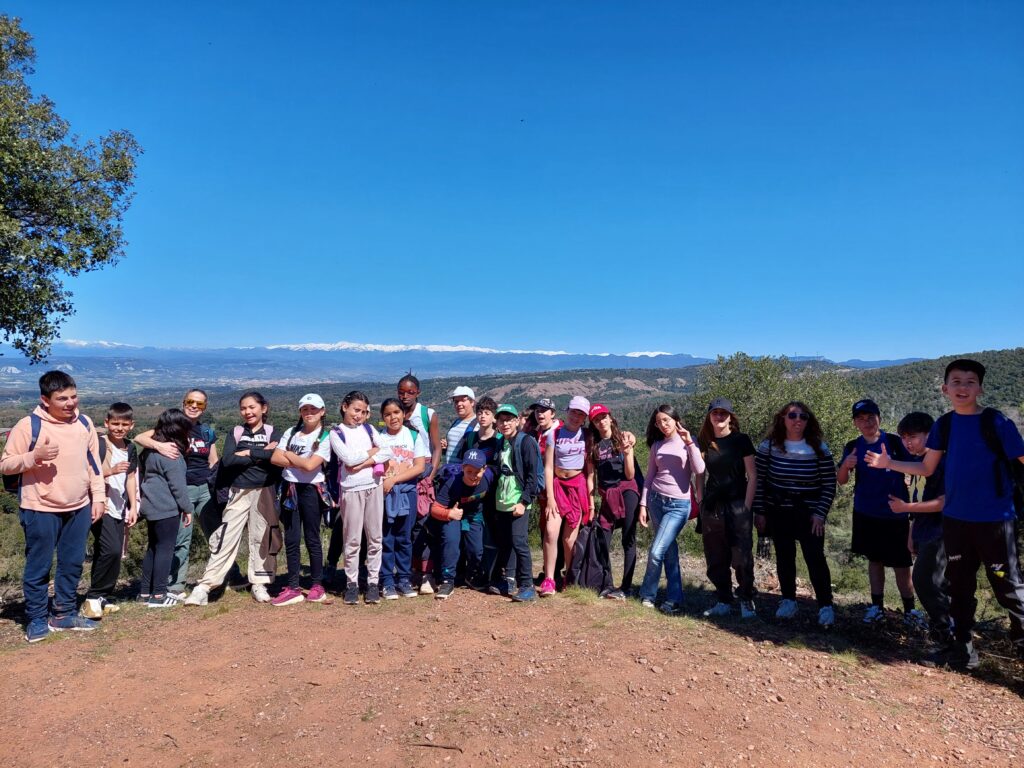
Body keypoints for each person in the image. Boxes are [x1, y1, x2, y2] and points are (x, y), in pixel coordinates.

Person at [866, 359, 1024, 668]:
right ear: (945, 389)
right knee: (959, 588)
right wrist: (889, 464)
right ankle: (962, 653)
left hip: (995, 521)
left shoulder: (996, 422)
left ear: (980, 388)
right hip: (956, 523)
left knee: (1008, 587)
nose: (963, 387)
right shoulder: (945, 425)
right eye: (956, 382)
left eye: (970, 382)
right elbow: (927, 467)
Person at [1, 371, 106, 642]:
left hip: (79, 506)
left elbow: (93, 464)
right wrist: (33, 457)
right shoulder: (28, 426)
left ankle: (64, 614)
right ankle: (37, 618)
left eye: (73, 396)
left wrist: (99, 497)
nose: (70, 403)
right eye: (62, 398)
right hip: (39, 507)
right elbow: (6, 464)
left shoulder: (84, 422)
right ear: (45, 400)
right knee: (39, 565)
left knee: (72, 563)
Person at [185, 391, 283, 606]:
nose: (247, 412)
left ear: (263, 408)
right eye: (243, 408)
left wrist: (246, 453)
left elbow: (275, 457)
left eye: (252, 407)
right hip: (238, 491)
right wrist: (260, 454)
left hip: (265, 491)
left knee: (262, 536)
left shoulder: (273, 432)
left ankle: (259, 583)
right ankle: (206, 586)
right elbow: (228, 460)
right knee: (225, 537)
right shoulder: (236, 432)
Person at [837, 398, 922, 627]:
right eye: (861, 419)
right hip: (866, 513)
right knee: (874, 560)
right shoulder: (852, 446)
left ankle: (910, 611)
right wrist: (846, 465)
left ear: (879, 418)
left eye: (870, 417)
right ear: (855, 423)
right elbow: (841, 480)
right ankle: (877, 607)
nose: (867, 422)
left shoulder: (894, 442)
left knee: (901, 565)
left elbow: (918, 468)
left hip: (896, 513)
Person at [753, 401, 837, 627]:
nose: (798, 420)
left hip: (809, 513)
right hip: (778, 510)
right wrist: (759, 511)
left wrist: (820, 514)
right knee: (784, 556)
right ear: (782, 418)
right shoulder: (769, 446)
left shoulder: (819, 448)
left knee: (815, 558)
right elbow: (759, 481)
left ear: (809, 421)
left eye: (803, 416)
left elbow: (829, 484)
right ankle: (788, 600)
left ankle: (825, 605)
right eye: (792, 415)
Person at [134, 388, 220, 600]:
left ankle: (224, 576)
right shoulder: (173, 426)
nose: (194, 406)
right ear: (183, 403)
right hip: (181, 489)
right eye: (190, 401)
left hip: (204, 489)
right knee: (181, 539)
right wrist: (159, 446)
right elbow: (139, 437)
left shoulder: (207, 432)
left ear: (205, 407)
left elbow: (213, 461)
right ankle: (175, 585)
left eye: (199, 403)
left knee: (217, 536)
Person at [891, 411, 952, 649]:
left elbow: (944, 502)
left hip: (942, 531)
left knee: (925, 581)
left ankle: (948, 635)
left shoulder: (940, 463)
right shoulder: (919, 464)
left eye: (913, 437)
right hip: (925, 531)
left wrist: (905, 508)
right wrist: (912, 533)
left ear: (930, 435)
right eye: (904, 437)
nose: (908, 443)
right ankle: (949, 635)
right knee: (936, 583)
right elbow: (918, 499)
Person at [637, 404, 705, 615]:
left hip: (678, 505)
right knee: (668, 549)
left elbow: (699, 469)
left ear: (676, 419)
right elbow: (650, 476)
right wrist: (643, 504)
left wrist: (689, 442)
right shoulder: (657, 445)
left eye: (666, 420)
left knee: (656, 550)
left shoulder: (689, 441)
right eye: (659, 422)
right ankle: (674, 598)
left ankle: (647, 594)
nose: (663, 425)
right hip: (656, 501)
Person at [329, 390, 392, 606]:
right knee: (352, 539)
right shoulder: (336, 433)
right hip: (351, 489)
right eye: (356, 410)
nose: (359, 415)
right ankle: (352, 584)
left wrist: (364, 462)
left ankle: (373, 583)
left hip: (374, 486)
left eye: (364, 412)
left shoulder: (369, 429)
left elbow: (387, 451)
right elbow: (347, 458)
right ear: (344, 407)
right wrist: (372, 452)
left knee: (375, 537)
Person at [696, 398, 757, 620]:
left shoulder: (741, 440)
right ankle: (723, 599)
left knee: (741, 556)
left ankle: (746, 598)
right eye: (715, 413)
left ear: (731, 417)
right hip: (712, 507)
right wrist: (700, 501)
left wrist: (747, 507)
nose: (719, 417)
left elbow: (753, 476)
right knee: (716, 556)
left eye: (723, 413)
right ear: (709, 416)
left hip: (737, 504)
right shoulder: (705, 441)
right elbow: (700, 474)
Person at [269, 394, 332, 606]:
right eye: (305, 409)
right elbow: (275, 458)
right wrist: (301, 462)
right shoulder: (291, 432)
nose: (309, 413)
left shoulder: (325, 436)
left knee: (312, 537)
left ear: (322, 411)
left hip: (312, 490)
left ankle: (317, 585)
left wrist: (289, 455)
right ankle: (293, 586)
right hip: (290, 488)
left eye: (313, 409)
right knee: (292, 538)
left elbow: (310, 466)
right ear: (300, 412)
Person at [82, 402, 139, 619]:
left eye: (124, 424)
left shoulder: (130, 448)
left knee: (114, 553)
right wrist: (111, 470)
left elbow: (131, 478)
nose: (119, 428)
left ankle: (102, 597)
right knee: (111, 550)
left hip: (118, 506)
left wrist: (133, 506)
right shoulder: (99, 444)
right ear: (107, 423)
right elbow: (87, 473)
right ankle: (93, 597)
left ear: (131, 425)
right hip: (100, 504)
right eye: (115, 424)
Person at [137, 409, 194, 608]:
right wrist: (187, 508)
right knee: (165, 550)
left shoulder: (150, 452)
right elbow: (178, 486)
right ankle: (159, 595)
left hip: (150, 505)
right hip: (166, 507)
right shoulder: (172, 454)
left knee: (153, 548)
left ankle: (145, 592)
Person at [541, 396, 594, 596]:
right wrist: (550, 498)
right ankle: (549, 579)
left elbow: (590, 471)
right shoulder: (554, 434)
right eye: (573, 412)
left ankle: (570, 577)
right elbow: (548, 467)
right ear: (567, 411)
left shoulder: (587, 436)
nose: (576, 416)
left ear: (585, 418)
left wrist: (590, 503)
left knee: (569, 540)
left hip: (577, 487)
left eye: (581, 414)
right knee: (550, 532)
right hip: (557, 486)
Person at [376, 397, 428, 599]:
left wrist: (394, 479)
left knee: (404, 538)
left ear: (404, 414)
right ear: (383, 417)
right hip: (384, 494)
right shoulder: (379, 437)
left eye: (396, 412)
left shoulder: (413, 436)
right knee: (387, 538)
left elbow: (419, 467)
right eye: (387, 414)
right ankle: (387, 580)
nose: (393, 417)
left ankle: (404, 579)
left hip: (407, 493)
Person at [588, 403, 639, 599]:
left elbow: (630, 474)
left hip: (627, 491)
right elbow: (591, 476)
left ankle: (626, 587)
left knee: (628, 538)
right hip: (607, 495)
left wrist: (627, 453)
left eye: (603, 417)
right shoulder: (594, 445)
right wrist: (591, 503)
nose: (601, 422)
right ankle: (606, 584)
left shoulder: (622, 439)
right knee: (603, 538)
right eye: (596, 419)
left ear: (610, 418)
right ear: (593, 423)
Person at [428, 448, 494, 600]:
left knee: (476, 550)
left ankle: (471, 576)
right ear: (463, 468)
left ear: (484, 469)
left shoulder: (489, 477)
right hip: (452, 515)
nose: (473, 476)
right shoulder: (453, 483)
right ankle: (447, 581)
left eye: (477, 472)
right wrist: (449, 513)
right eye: (469, 471)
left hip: (474, 516)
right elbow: (435, 509)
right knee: (451, 542)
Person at [397, 374, 442, 593]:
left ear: (418, 392)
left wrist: (431, 474)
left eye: (410, 392)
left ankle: (426, 573)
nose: (405, 396)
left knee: (423, 525)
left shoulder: (427, 414)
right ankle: (408, 570)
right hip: (401, 471)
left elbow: (436, 446)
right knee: (403, 523)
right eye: (401, 392)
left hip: (423, 472)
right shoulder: (395, 411)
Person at [490, 404, 539, 601]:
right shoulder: (501, 442)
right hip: (502, 500)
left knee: (519, 542)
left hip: (518, 500)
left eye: (509, 420)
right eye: (501, 420)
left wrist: (524, 501)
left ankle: (527, 585)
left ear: (517, 421)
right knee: (506, 542)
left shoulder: (526, 442)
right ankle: (509, 580)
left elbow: (532, 476)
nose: (505, 424)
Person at [453, 396, 500, 588]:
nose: (482, 416)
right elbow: (460, 462)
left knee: (488, 535)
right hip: (468, 493)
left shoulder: (499, 440)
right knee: (465, 533)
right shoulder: (470, 437)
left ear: (494, 417)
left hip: (490, 495)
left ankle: (485, 572)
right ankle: (464, 572)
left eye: (487, 413)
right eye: (480, 412)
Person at [441, 386, 478, 465]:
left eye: (463, 400)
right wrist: (445, 447)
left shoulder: (478, 424)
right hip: (449, 470)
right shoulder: (456, 422)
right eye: (456, 401)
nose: (459, 404)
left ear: (472, 402)